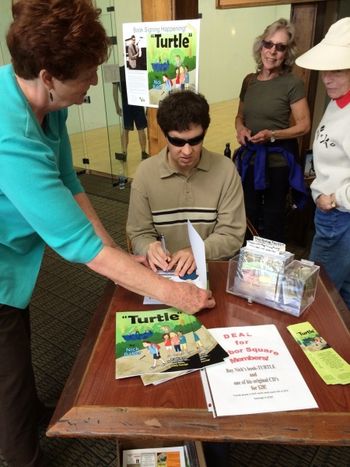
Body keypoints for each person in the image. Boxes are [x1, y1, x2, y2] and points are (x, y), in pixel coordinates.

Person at [0, 2, 215, 466]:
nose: (95, 83)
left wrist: (120, 252)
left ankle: (25, 409)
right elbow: (79, 246)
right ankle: (20, 451)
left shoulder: (47, 104)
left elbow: (70, 184)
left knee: (16, 343)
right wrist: (174, 295)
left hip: (12, 258)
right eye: (86, 74)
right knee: (6, 366)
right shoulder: (8, 135)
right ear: (49, 76)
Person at [126, 90, 246, 277]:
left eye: (195, 140)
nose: (187, 151)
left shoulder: (225, 170)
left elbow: (232, 235)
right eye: (177, 142)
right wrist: (149, 247)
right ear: (165, 135)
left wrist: (198, 252)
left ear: (204, 132)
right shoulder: (145, 173)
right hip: (164, 272)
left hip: (211, 269)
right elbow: (138, 233)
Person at [234, 18, 311, 242]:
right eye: (269, 44)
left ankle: (271, 270)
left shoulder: (292, 83)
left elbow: (304, 125)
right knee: (248, 214)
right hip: (250, 161)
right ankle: (247, 266)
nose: (272, 52)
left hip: (277, 164)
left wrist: (272, 135)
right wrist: (240, 129)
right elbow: (240, 116)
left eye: (280, 47)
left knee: (273, 218)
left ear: (287, 53)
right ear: (261, 46)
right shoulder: (249, 81)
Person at [296, 17, 350, 309]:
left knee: (316, 298)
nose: (327, 78)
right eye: (327, 70)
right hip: (336, 217)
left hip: (340, 217)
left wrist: (335, 198)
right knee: (342, 296)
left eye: (338, 71)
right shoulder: (337, 101)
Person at [113, 65, 149, 161]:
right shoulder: (132, 69)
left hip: (135, 103)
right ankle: (141, 152)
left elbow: (115, 89)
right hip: (132, 104)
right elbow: (115, 89)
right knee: (130, 129)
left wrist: (116, 105)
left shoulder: (136, 69)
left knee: (136, 129)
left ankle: (141, 152)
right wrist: (116, 105)